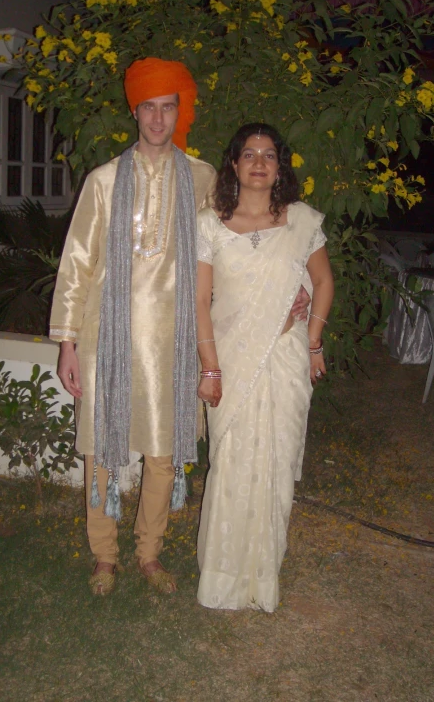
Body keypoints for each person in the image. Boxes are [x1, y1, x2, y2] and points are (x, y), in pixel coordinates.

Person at [49, 57, 217, 596]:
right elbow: (77, 262)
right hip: (109, 341)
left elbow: (225, 255)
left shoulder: (202, 178)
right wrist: (67, 343)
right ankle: (105, 556)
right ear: (135, 111)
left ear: (178, 112)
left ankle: (149, 552)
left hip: (172, 343)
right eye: (149, 107)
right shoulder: (103, 182)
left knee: (163, 453)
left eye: (168, 107)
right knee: (103, 451)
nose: (158, 118)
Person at [195, 123, 334, 612]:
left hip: (285, 357)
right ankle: (224, 576)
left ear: (281, 166)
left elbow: (323, 282)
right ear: (233, 164)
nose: (259, 162)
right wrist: (210, 367)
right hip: (230, 360)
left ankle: (263, 574)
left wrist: (313, 339)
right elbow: (199, 301)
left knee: (275, 460)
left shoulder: (300, 221)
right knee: (230, 461)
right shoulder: (209, 223)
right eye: (249, 154)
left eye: (269, 155)